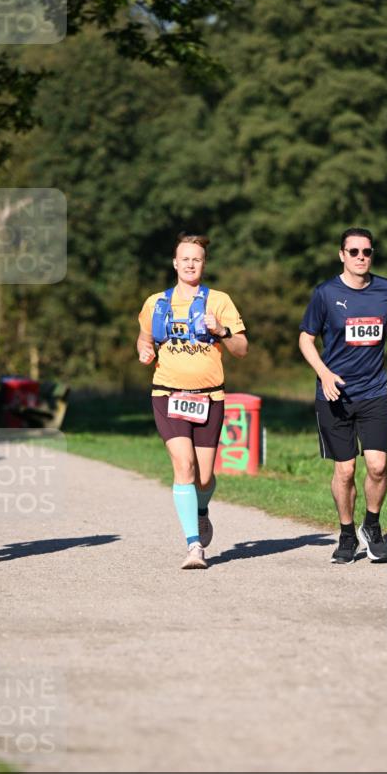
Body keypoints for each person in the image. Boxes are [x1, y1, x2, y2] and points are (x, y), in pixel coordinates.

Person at [137, 232, 248, 569]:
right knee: (184, 466)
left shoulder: (220, 301)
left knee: (204, 477)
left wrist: (222, 331)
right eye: (184, 258)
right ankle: (194, 546)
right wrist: (144, 350)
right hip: (167, 393)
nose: (190, 264)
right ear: (175, 263)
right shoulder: (156, 302)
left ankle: (201, 510)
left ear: (203, 264)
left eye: (196, 259)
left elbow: (242, 349)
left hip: (209, 397)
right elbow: (144, 339)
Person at [299, 227, 387, 564]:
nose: (361, 257)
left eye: (367, 252)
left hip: (373, 392)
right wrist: (324, 373)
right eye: (354, 252)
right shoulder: (325, 293)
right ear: (342, 255)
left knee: (378, 466)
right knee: (344, 471)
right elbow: (305, 338)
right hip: (335, 395)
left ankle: (371, 526)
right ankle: (346, 534)